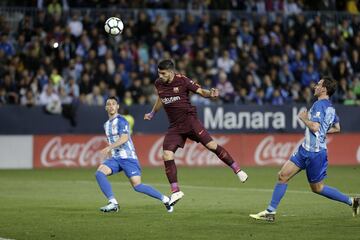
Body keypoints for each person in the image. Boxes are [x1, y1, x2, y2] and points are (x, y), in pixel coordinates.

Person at [249, 77, 359, 222]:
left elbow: (315, 127)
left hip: (315, 154)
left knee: (317, 188)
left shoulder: (319, 105)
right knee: (283, 175)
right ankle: (270, 212)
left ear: (324, 89)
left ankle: (352, 201)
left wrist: (303, 118)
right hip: (304, 149)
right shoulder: (330, 107)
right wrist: (322, 131)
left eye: (318, 84)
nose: (315, 86)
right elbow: (337, 128)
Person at [144, 59, 248, 206]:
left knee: (212, 146)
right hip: (175, 126)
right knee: (167, 154)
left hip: (190, 121)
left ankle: (237, 170)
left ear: (171, 72)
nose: (160, 76)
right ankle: (176, 191)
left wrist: (210, 94)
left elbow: (201, 92)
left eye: (163, 73)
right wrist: (152, 113)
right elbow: (161, 98)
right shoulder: (158, 83)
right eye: (159, 73)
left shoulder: (183, 80)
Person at [95, 96, 173, 213]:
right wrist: (110, 152)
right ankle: (113, 203)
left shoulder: (122, 121)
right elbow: (112, 141)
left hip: (128, 158)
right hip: (116, 158)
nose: (111, 106)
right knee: (99, 173)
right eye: (108, 104)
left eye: (113, 104)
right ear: (106, 107)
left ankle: (165, 199)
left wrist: (109, 148)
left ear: (117, 107)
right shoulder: (106, 125)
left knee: (137, 186)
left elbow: (125, 138)